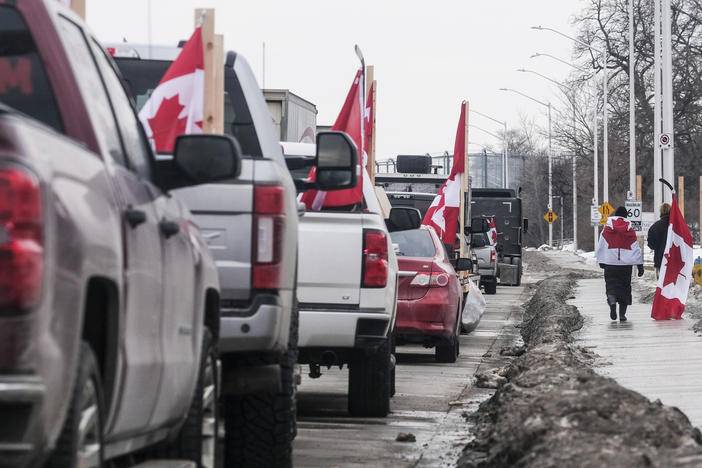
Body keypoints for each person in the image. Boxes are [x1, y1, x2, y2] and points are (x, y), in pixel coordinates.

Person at [596, 206, 644, 321]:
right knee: (625, 289)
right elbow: (635, 248)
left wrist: (601, 260)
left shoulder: (607, 228)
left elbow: (601, 244)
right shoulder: (629, 229)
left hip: (610, 263)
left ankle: (612, 302)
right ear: (626, 216)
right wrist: (640, 265)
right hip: (625, 265)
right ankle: (622, 315)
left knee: (611, 286)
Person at [647, 203, 671, 278]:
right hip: (674, 261)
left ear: (661, 212)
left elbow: (651, 244)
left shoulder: (654, 227)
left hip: (660, 260)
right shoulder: (675, 226)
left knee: (661, 284)